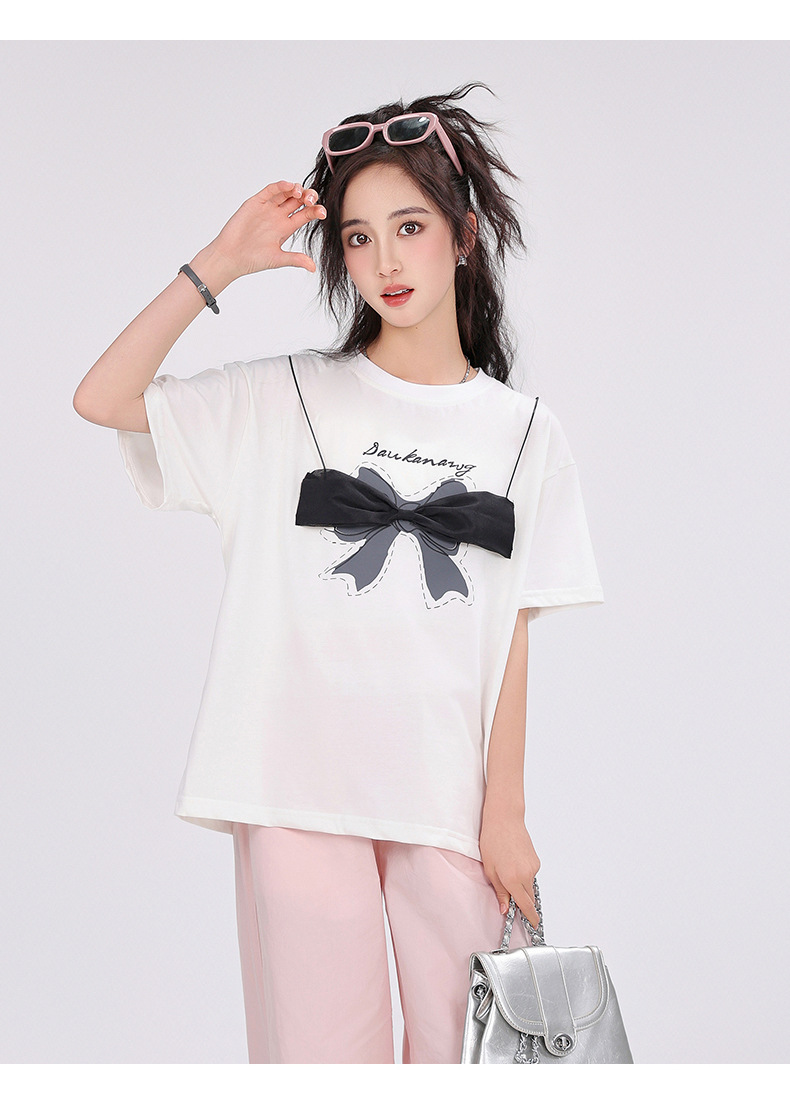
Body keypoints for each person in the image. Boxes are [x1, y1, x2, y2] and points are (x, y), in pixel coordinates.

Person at [73, 82, 605, 1065]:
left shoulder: (526, 433)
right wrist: (219, 263)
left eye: (409, 227)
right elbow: (103, 397)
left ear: (464, 233)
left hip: (448, 804)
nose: (385, 261)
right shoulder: (280, 398)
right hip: (295, 791)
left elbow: (512, 631)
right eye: (359, 237)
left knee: (467, 1059)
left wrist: (507, 814)